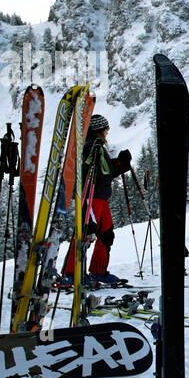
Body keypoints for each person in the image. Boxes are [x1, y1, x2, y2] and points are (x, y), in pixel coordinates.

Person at [62, 113, 131, 286]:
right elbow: (96, 171)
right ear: (99, 130)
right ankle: (70, 273)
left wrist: (120, 164)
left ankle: (98, 271)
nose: (108, 132)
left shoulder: (95, 146)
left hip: (100, 196)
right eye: (106, 129)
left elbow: (104, 171)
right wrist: (118, 165)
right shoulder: (92, 146)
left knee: (106, 233)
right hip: (92, 196)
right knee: (86, 232)